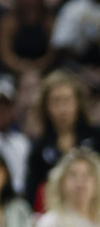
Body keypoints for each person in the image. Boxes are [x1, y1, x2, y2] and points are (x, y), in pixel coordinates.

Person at [25, 71, 100, 210]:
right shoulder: (38, 148)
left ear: (78, 103)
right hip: (56, 212)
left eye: (67, 100)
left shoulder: (96, 137)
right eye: (56, 101)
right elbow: (32, 194)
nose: (62, 108)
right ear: (46, 106)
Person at [37, 148, 100, 227]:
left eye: (86, 175)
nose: (80, 182)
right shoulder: (51, 222)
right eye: (73, 175)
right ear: (60, 183)